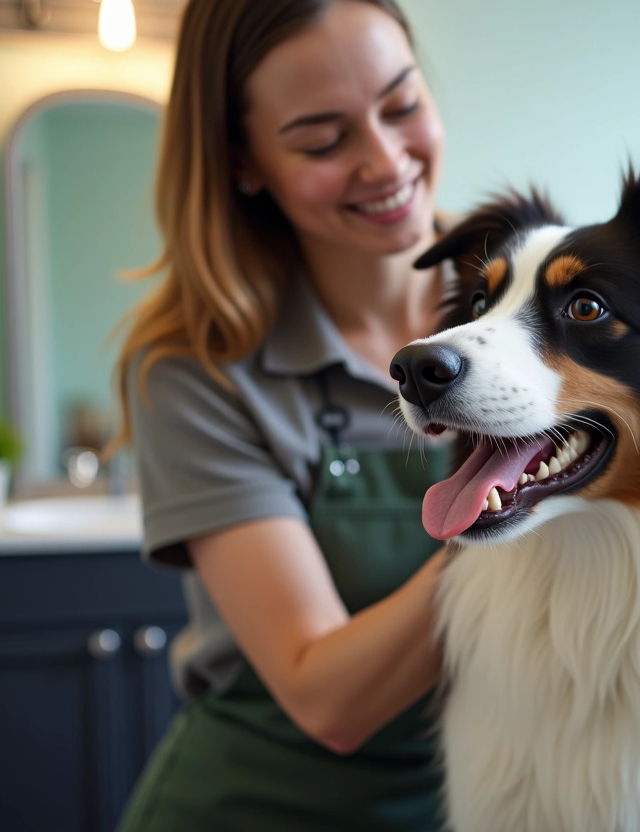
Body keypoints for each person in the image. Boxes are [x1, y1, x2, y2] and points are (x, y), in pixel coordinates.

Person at [112, 0, 453, 828]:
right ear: (244, 160)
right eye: (323, 141)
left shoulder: (531, 306)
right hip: (266, 803)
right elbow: (325, 696)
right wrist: (520, 506)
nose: (385, 160)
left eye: (402, 104)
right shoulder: (197, 371)